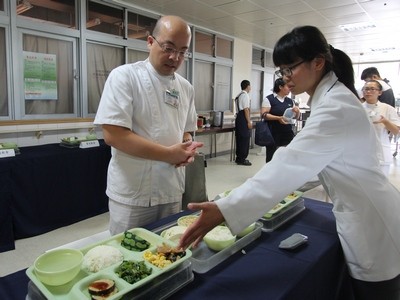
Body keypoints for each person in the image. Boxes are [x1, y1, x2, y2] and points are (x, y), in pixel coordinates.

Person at [180, 26, 400, 300]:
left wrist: (226, 208)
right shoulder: (331, 98)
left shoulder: (336, 106)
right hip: (364, 211)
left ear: (317, 62)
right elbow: (313, 165)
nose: (286, 78)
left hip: (372, 222)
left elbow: (291, 162)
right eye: (281, 71)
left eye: (289, 69)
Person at [94, 15, 202, 235]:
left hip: (171, 187)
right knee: (128, 256)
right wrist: (169, 154)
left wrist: (187, 148)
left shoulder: (186, 88)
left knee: (167, 249)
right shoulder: (124, 77)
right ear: (150, 42)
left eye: (183, 51)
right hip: (133, 192)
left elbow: (187, 130)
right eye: (168, 47)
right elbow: (113, 134)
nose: (175, 57)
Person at [362, 79, 400, 176]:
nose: (368, 91)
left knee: (381, 185)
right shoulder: (358, 108)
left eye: (372, 89)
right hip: (361, 153)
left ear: (380, 92)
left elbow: (396, 132)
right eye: (366, 89)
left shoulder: (387, 109)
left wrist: (385, 121)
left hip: (381, 152)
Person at [261, 78, 300, 162]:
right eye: (288, 86)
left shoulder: (289, 101)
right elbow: (264, 115)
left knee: (287, 155)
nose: (290, 89)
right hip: (273, 132)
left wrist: (297, 112)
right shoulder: (269, 99)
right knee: (272, 156)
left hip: (287, 131)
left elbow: (294, 117)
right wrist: (278, 118)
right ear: (280, 87)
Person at [234, 80, 252, 166]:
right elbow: (246, 109)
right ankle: (242, 159)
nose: (250, 88)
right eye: (250, 86)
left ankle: (239, 158)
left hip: (238, 117)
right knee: (245, 138)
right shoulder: (245, 95)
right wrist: (248, 122)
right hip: (243, 117)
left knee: (240, 138)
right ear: (247, 86)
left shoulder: (239, 95)